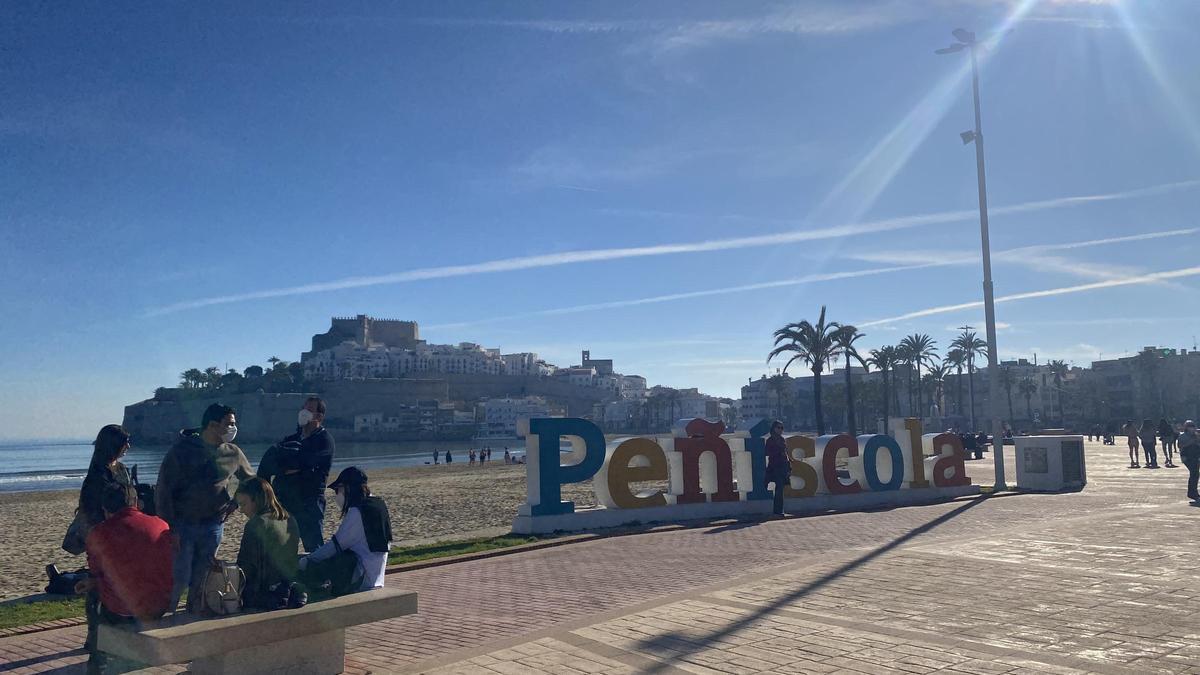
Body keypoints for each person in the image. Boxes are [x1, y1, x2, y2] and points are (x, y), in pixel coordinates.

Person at [156, 403, 255, 612]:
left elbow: (251, 481)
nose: (233, 429)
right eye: (229, 424)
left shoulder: (233, 453)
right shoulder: (181, 451)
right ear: (212, 425)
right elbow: (164, 491)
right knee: (179, 576)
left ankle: (193, 616)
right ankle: (164, 615)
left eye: (233, 424)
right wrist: (169, 527)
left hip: (213, 525)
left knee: (203, 577)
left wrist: (235, 502)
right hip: (182, 525)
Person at [78, 483, 172, 674]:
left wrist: (93, 583)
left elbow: (98, 573)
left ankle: (98, 659)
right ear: (136, 503)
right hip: (157, 605)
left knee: (95, 602)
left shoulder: (98, 533)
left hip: (121, 609)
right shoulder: (161, 525)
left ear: (105, 509)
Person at [299, 467, 392, 595]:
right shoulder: (378, 504)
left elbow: (335, 545)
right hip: (376, 577)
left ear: (347, 488)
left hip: (360, 578)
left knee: (309, 567)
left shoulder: (357, 512)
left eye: (338, 490)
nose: (337, 495)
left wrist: (308, 560)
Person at [266, 397, 335, 553]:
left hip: (309, 501)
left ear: (319, 416)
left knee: (313, 546)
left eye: (309, 409)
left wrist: (295, 466)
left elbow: (306, 463)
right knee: (282, 544)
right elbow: (278, 462)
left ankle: (319, 576)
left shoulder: (325, 440)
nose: (304, 412)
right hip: (286, 499)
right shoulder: (291, 439)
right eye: (303, 408)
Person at [235, 477, 300, 609]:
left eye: (243, 504)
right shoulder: (290, 519)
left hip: (262, 595)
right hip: (286, 589)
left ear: (256, 500)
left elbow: (245, 567)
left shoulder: (256, 524)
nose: (241, 510)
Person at [764, 420, 790, 516]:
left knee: (780, 488)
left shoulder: (782, 439)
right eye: (778, 427)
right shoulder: (770, 440)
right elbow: (767, 453)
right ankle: (778, 511)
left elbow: (785, 453)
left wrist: (788, 465)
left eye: (782, 428)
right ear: (774, 428)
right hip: (774, 467)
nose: (780, 430)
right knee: (778, 489)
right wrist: (778, 452)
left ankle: (779, 510)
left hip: (783, 466)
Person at [1178, 420, 1200, 501]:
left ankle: (1193, 492)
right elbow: (1180, 446)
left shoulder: (1195, 435)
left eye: (1193, 426)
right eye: (1190, 426)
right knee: (1194, 473)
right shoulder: (1183, 436)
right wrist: (1191, 442)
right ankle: (1192, 493)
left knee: (1195, 474)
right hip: (1187, 457)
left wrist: (1197, 438)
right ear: (1186, 428)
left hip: (1195, 456)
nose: (1192, 428)